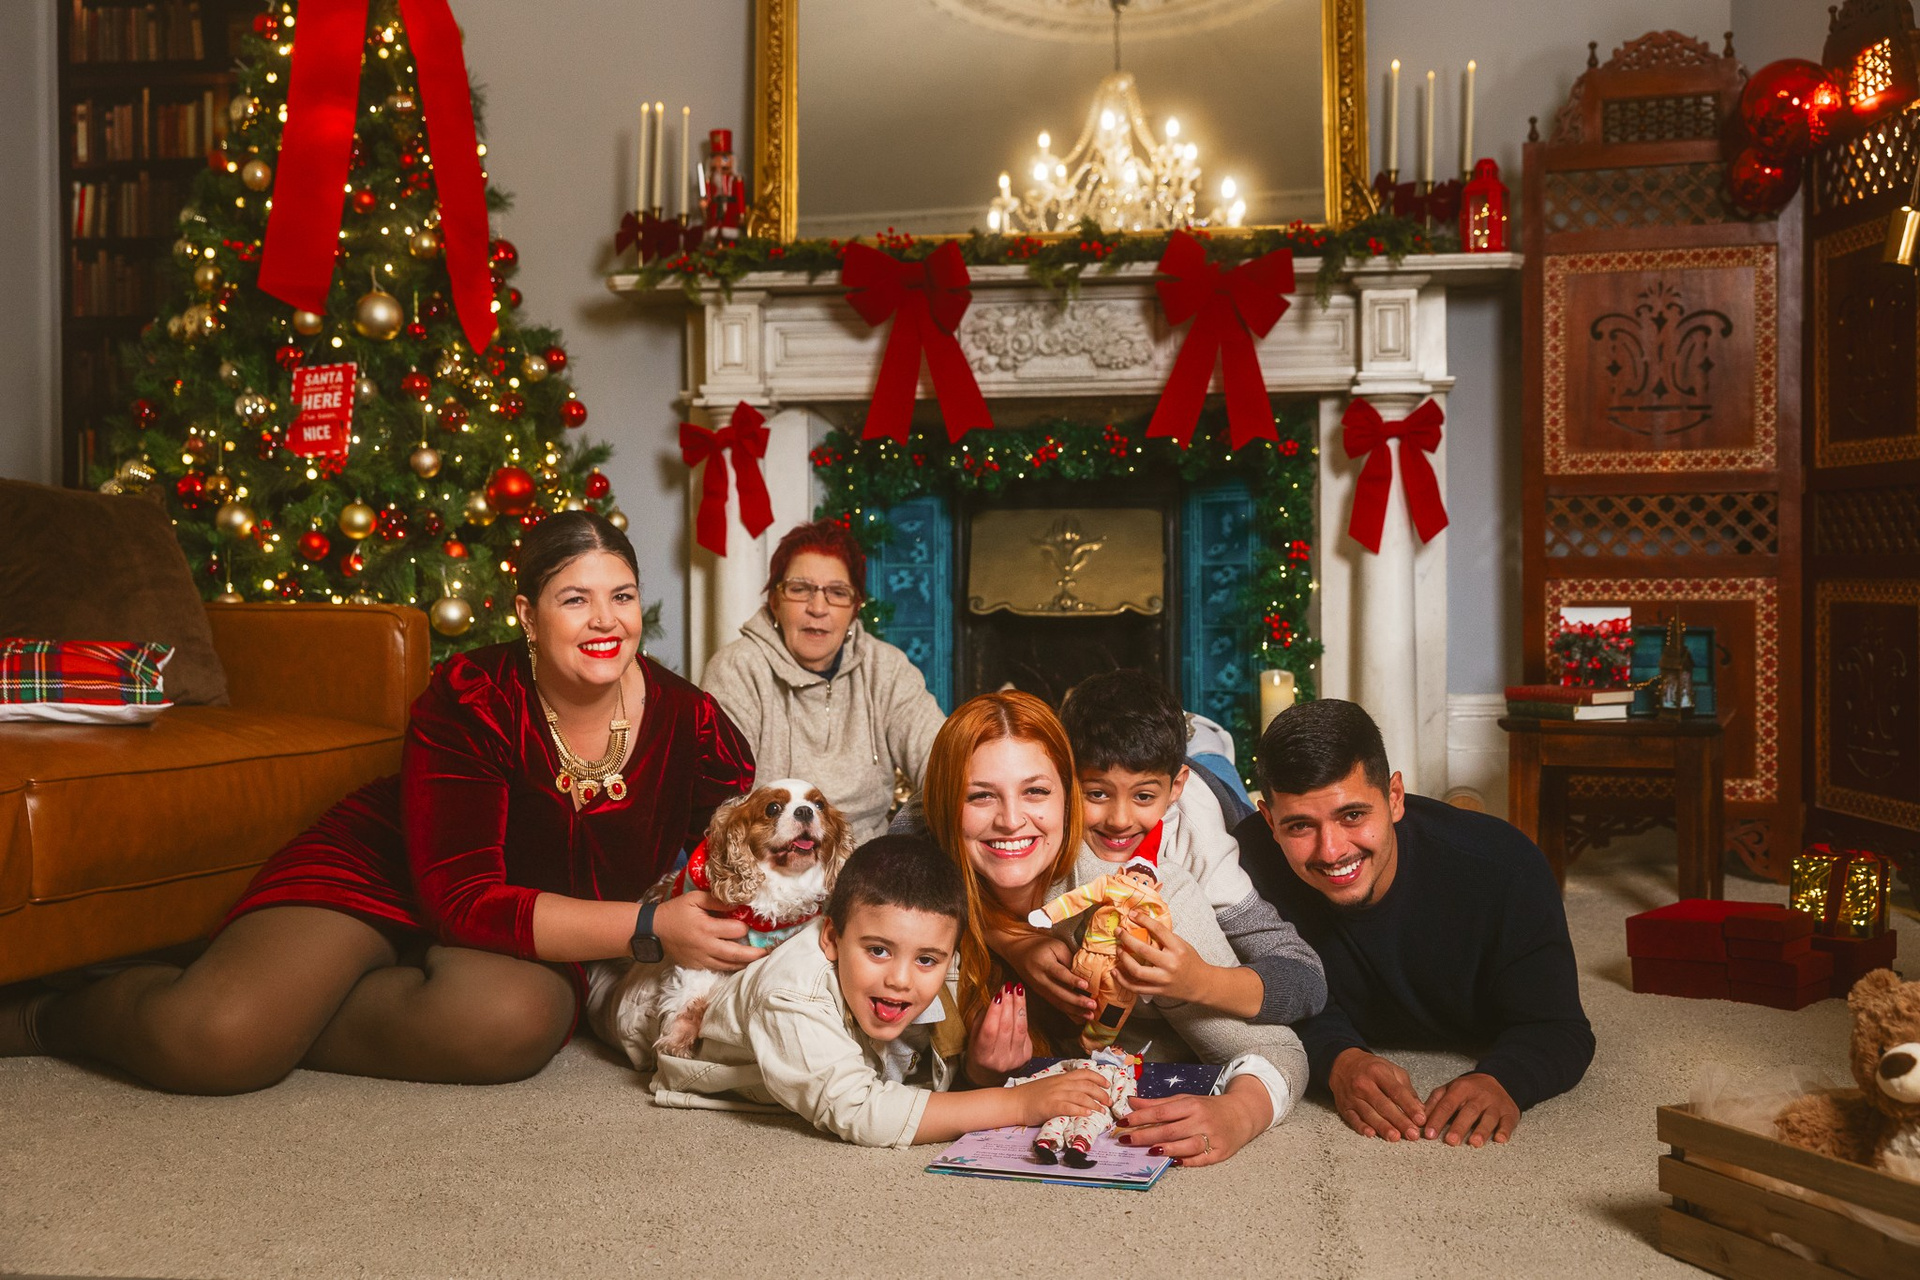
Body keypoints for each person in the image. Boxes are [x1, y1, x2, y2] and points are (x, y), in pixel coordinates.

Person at [1, 513, 759, 1092]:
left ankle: (278, 1004)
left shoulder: (692, 723)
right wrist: (647, 928)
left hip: (528, 927)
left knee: (509, 1026)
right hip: (389, 872)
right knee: (216, 1043)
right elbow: (459, 898)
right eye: (575, 599)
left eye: (622, 596)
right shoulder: (473, 697)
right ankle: (49, 1013)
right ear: (528, 616)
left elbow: (739, 848)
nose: (605, 621)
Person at [920, 690, 1307, 1167]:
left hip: (1212, 809)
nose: (1011, 820)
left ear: (1067, 795)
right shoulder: (920, 885)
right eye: (980, 795)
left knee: (1213, 777)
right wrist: (983, 1070)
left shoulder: (1147, 903)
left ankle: (1210, 750)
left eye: (1036, 791)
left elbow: (1278, 1049)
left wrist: (1240, 1112)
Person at [1233, 698, 1596, 1147]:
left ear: (1395, 798)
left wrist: (1507, 1078)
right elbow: (1252, 993)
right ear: (1269, 821)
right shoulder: (1243, 868)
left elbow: (1560, 1027)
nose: (1331, 851)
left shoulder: (1506, 869)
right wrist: (1338, 1058)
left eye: (1352, 816)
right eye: (1300, 826)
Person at [650, 834, 1113, 1146]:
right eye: (878, 951)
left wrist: (981, 1071)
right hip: (668, 1021)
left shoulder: (934, 968)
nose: (901, 979)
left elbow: (933, 1070)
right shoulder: (792, 994)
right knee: (629, 1008)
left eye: (927, 960)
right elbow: (860, 1112)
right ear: (832, 938)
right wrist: (1019, 1103)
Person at [1041, 669, 1326, 1027]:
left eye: (1143, 796)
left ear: (1175, 788)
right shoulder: (1042, 809)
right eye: (1097, 793)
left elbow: (1307, 976)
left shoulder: (1202, 843)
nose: (1119, 820)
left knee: (1216, 764)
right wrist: (1016, 944)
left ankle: (1202, 735)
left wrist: (1202, 981)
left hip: (1214, 792)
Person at [702, 520, 945, 845]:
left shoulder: (887, 668)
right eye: (800, 589)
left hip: (867, 862)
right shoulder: (737, 669)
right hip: (771, 861)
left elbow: (944, 766)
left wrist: (904, 839)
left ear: (855, 609)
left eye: (837, 593)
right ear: (775, 601)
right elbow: (721, 805)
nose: (818, 608)